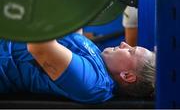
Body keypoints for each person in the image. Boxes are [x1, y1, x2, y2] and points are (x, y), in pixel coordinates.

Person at [0, 29, 155, 103]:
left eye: (131, 51)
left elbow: (39, 48)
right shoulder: (100, 61)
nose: (124, 44)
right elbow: (71, 34)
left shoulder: (92, 81)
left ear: (127, 76)